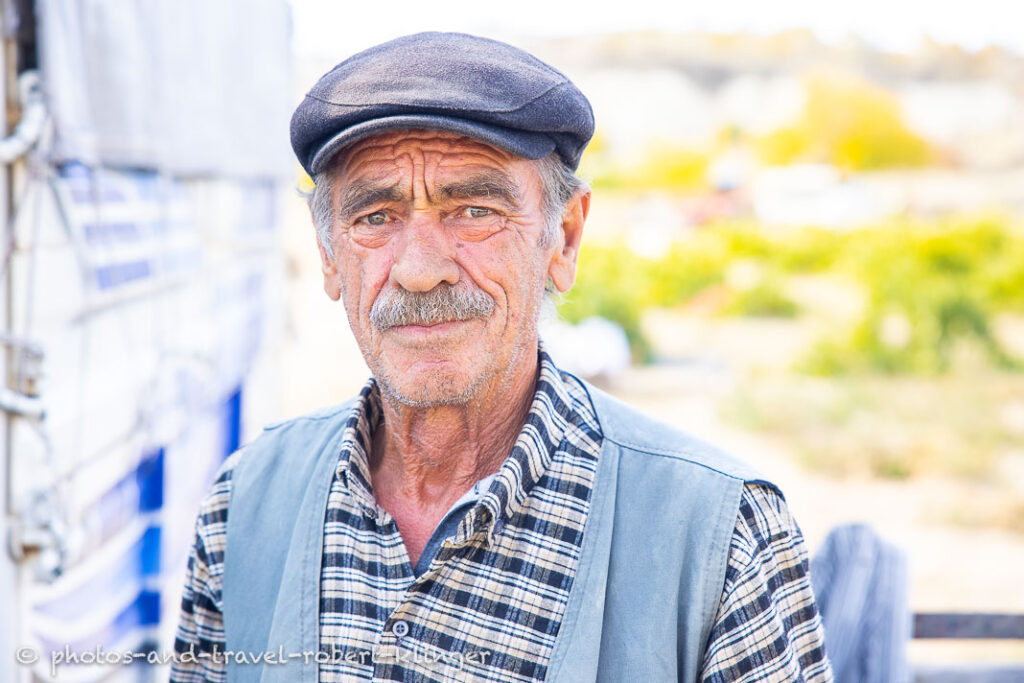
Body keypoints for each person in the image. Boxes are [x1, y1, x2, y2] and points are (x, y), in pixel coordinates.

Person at [171, 32, 831, 683]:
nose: (420, 269)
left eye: (473, 209)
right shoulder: (245, 503)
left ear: (564, 238)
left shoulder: (724, 535)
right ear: (327, 257)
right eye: (375, 216)